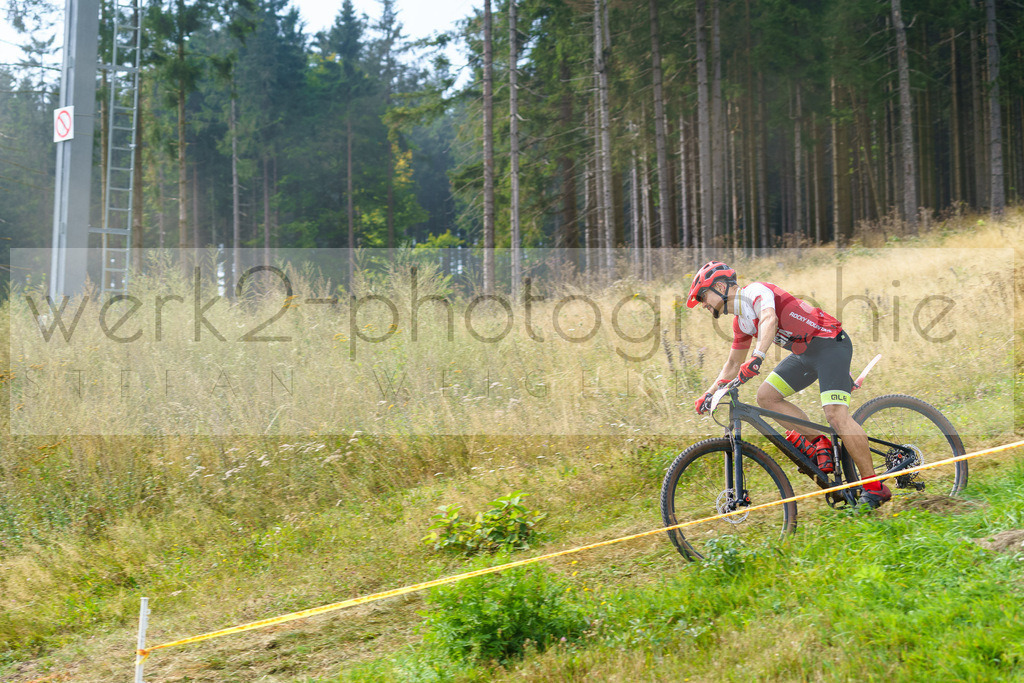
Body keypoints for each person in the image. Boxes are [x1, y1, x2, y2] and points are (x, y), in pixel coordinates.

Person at [686, 261, 890, 509]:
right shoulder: (741, 322)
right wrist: (709, 393)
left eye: (702, 296)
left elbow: (769, 319)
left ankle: (873, 487)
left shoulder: (755, 292)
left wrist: (758, 356)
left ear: (719, 286)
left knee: (835, 414)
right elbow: (732, 363)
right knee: (766, 397)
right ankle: (820, 442)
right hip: (805, 354)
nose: (703, 304)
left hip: (830, 344)